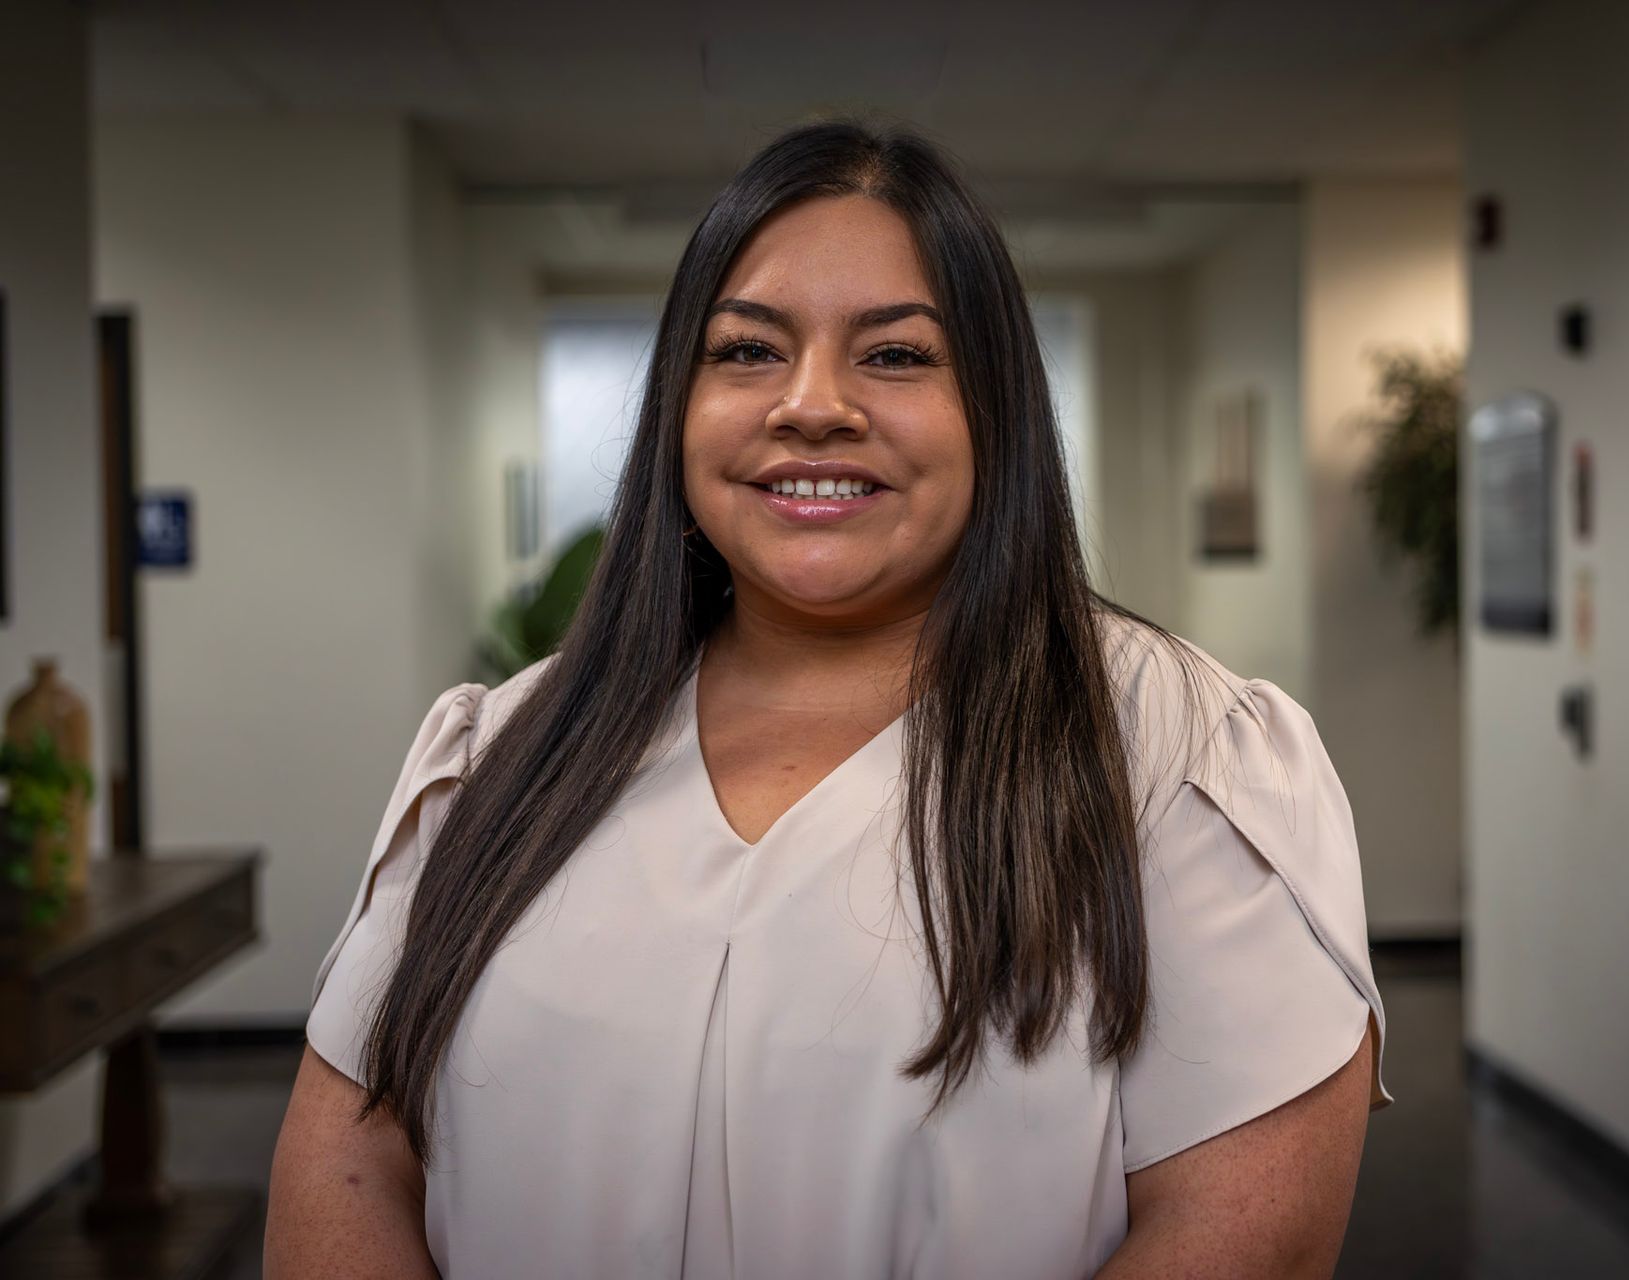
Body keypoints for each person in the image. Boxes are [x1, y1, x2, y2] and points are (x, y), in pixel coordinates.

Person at [265, 120, 1390, 1280]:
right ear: (679, 407)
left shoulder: (1180, 753)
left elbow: (1244, 1230)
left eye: (896, 356)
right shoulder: (504, 749)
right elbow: (348, 1171)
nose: (810, 404)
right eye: (746, 350)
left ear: (993, 411)